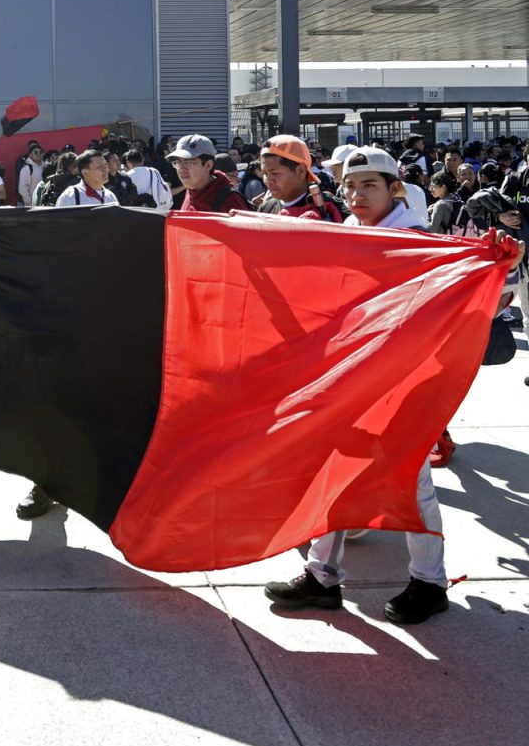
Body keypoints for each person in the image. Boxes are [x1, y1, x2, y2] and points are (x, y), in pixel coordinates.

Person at [264, 147, 450, 626]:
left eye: (368, 185)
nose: (355, 195)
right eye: (349, 185)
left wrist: (502, 254)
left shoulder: (419, 240)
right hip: (353, 380)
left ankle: (430, 583)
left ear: (395, 189)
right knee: (334, 472)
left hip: (404, 383)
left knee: (412, 482)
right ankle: (323, 577)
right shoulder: (345, 233)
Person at [257, 136, 343, 221]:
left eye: (275, 173)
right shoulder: (266, 209)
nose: (269, 180)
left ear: (301, 171)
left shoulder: (332, 207)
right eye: (265, 173)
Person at [171, 136, 251, 213]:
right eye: (177, 162)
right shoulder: (192, 190)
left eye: (189, 163)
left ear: (208, 165)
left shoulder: (230, 200)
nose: (181, 168)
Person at [15, 141, 45, 207]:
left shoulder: (45, 167)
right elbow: (22, 188)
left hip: (44, 203)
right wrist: (30, 202)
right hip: (32, 205)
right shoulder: (27, 168)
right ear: (30, 155)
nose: (38, 154)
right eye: (36, 152)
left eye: (40, 152)